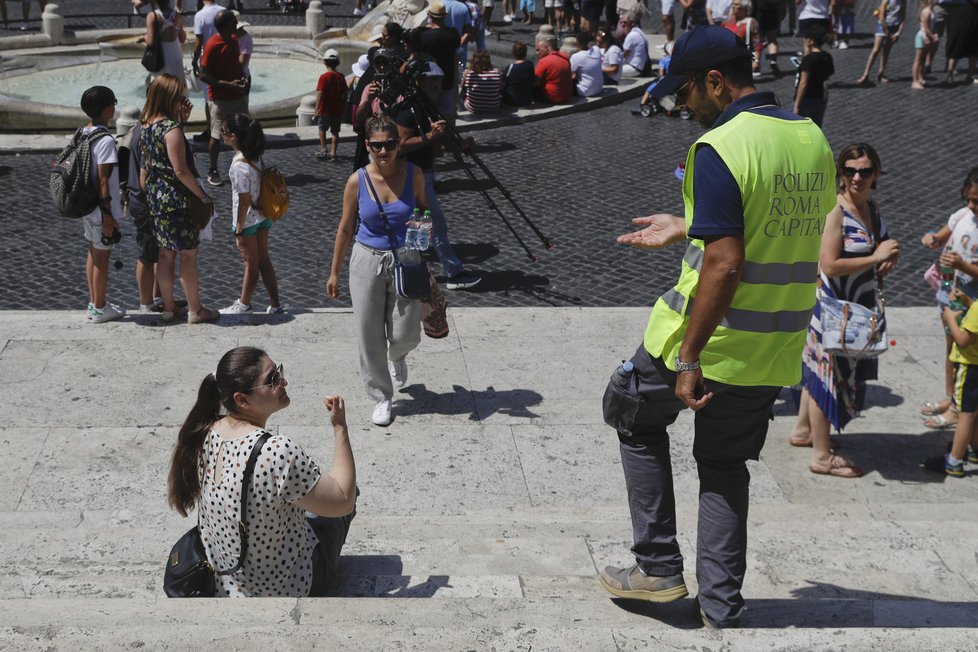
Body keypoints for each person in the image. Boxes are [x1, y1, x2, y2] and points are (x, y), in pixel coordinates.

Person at [598, 26, 835, 628]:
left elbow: (726, 263)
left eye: (687, 93)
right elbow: (774, 223)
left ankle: (656, 567)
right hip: (773, 348)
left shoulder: (721, 146)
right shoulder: (811, 139)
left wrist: (688, 356)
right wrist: (690, 223)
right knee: (726, 466)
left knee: (629, 410)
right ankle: (722, 605)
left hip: (708, 343)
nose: (683, 106)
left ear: (715, 82)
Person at [167, 346, 357, 596]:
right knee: (348, 489)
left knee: (301, 498)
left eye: (279, 372)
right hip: (290, 586)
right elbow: (343, 500)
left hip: (227, 585)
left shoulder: (203, 433)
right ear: (242, 399)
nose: (283, 381)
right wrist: (340, 426)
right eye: (272, 380)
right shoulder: (277, 451)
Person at [789, 143, 899, 478]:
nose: (857, 177)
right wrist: (875, 258)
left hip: (854, 308)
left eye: (865, 171)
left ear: (876, 174)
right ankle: (821, 456)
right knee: (827, 377)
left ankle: (803, 431)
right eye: (850, 170)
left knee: (816, 372)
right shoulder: (836, 211)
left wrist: (887, 258)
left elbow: (877, 246)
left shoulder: (871, 208)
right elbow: (831, 264)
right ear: (840, 174)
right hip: (832, 310)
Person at [326, 116, 427, 427]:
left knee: (407, 332)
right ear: (367, 145)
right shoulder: (357, 180)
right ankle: (382, 396)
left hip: (405, 258)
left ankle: (398, 355)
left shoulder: (414, 174)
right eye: (377, 146)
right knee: (368, 333)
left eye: (390, 144)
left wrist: (421, 237)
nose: (384, 151)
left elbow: (423, 209)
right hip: (366, 259)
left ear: (398, 144)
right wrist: (334, 272)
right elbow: (345, 229)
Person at [393, 61, 483, 291]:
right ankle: (453, 273)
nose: (435, 85)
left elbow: (436, 138)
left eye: (438, 80)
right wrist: (430, 137)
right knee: (436, 225)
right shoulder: (408, 110)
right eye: (430, 80)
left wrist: (458, 145)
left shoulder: (426, 106)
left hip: (420, 175)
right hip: (412, 176)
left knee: (419, 226)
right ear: (418, 81)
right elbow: (400, 145)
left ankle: (411, 272)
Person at [139, 74, 220, 324]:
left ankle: (168, 308)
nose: (184, 101)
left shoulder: (146, 127)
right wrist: (203, 196)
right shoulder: (170, 130)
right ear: (170, 98)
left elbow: (148, 169)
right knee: (188, 256)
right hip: (178, 201)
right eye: (181, 97)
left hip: (157, 200)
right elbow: (181, 170)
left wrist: (181, 123)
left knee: (165, 255)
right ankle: (196, 310)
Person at [919, 167, 978, 429]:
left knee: (966, 350)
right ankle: (950, 396)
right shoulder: (962, 215)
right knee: (951, 346)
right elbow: (942, 236)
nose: (971, 205)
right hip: (950, 291)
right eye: (968, 198)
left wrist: (964, 266)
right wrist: (931, 240)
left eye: (976, 200)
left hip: (972, 297)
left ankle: (959, 407)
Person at [219, 114, 284, 316]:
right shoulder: (256, 158)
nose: (221, 135)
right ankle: (275, 304)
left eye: (222, 132)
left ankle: (243, 303)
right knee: (264, 260)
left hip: (247, 221)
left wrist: (238, 230)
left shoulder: (238, 166)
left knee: (250, 264)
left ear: (232, 136)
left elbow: (243, 202)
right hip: (263, 215)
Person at [78, 86, 127, 324]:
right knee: (102, 259)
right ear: (108, 108)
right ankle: (99, 307)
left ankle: (94, 302)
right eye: (113, 102)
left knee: (92, 253)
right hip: (100, 210)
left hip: (87, 205)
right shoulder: (106, 140)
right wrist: (108, 215)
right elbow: (104, 179)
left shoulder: (82, 132)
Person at [924, 289, 978, 476]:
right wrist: (967, 300)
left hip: (970, 368)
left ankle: (953, 461)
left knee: (966, 414)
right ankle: (974, 448)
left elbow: (963, 340)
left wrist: (950, 319)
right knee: (975, 412)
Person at [199, 9, 250, 187]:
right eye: (233, 22)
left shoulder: (235, 40)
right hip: (220, 98)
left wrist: (241, 79)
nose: (236, 25)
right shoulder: (213, 45)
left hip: (237, 95)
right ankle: (213, 169)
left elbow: (235, 65)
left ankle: (246, 162)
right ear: (225, 26)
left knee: (245, 129)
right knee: (216, 135)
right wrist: (227, 84)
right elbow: (202, 75)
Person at [191, 0, 223, 143]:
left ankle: (211, 130)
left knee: (208, 98)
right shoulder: (224, 10)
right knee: (222, 94)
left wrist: (194, 61)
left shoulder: (200, 15)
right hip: (223, 56)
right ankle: (223, 129)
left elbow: (198, 41)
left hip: (207, 60)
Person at [791, 27, 834, 125]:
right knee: (815, 127)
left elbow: (803, 83)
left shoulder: (808, 60)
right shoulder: (827, 57)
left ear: (810, 40)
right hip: (820, 98)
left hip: (806, 99)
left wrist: (796, 105)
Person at [856, 0, 905, 84]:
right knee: (876, 50)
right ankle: (865, 74)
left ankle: (881, 73)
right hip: (883, 25)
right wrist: (887, 32)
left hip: (894, 27)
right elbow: (881, 16)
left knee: (886, 50)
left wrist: (898, 33)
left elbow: (903, 16)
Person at [314, 49, 348, 161]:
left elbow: (320, 93)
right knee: (335, 132)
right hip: (337, 109)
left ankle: (324, 150)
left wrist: (316, 109)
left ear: (325, 63)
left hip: (325, 109)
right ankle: (333, 152)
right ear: (338, 63)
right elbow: (345, 93)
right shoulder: (341, 76)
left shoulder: (323, 77)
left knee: (322, 129)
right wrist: (343, 106)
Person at [145, 0, 186, 80]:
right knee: (177, 83)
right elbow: (182, 39)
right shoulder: (177, 15)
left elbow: (151, 42)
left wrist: (144, 38)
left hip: (162, 55)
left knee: (163, 84)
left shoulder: (153, 16)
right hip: (176, 53)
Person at [720, 0, 761, 76]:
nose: (733, 6)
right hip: (727, 60)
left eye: (736, 5)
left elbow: (757, 45)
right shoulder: (727, 21)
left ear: (744, 7)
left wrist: (756, 61)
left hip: (742, 60)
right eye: (733, 4)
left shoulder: (751, 22)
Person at [942, 0, 978, 84]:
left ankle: (970, 75)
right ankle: (950, 75)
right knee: (957, 46)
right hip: (963, 16)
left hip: (974, 17)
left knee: (974, 49)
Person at [534, 37, 573, 103]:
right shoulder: (565, 57)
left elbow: (535, 82)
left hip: (552, 97)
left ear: (546, 48)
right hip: (567, 96)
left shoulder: (544, 61)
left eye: (538, 50)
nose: (537, 53)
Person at [911, 0, 939, 88]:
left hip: (926, 38)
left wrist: (934, 34)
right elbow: (926, 28)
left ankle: (919, 77)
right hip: (922, 38)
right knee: (918, 60)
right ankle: (914, 81)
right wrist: (933, 36)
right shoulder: (927, 12)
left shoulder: (931, 11)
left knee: (922, 60)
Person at [568, 31, 604, 96]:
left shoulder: (576, 56)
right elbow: (589, 49)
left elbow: (568, 73)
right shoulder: (596, 49)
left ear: (577, 42)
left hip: (584, 91)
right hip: (599, 88)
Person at [619, 12, 649, 76]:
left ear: (632, 23)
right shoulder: (639, 32)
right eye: (621, 22)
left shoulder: (631, 35)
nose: (622, 25)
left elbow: (624, 54)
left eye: (625, 22)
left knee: (609, 70)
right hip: (642, 66)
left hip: (634, 68)